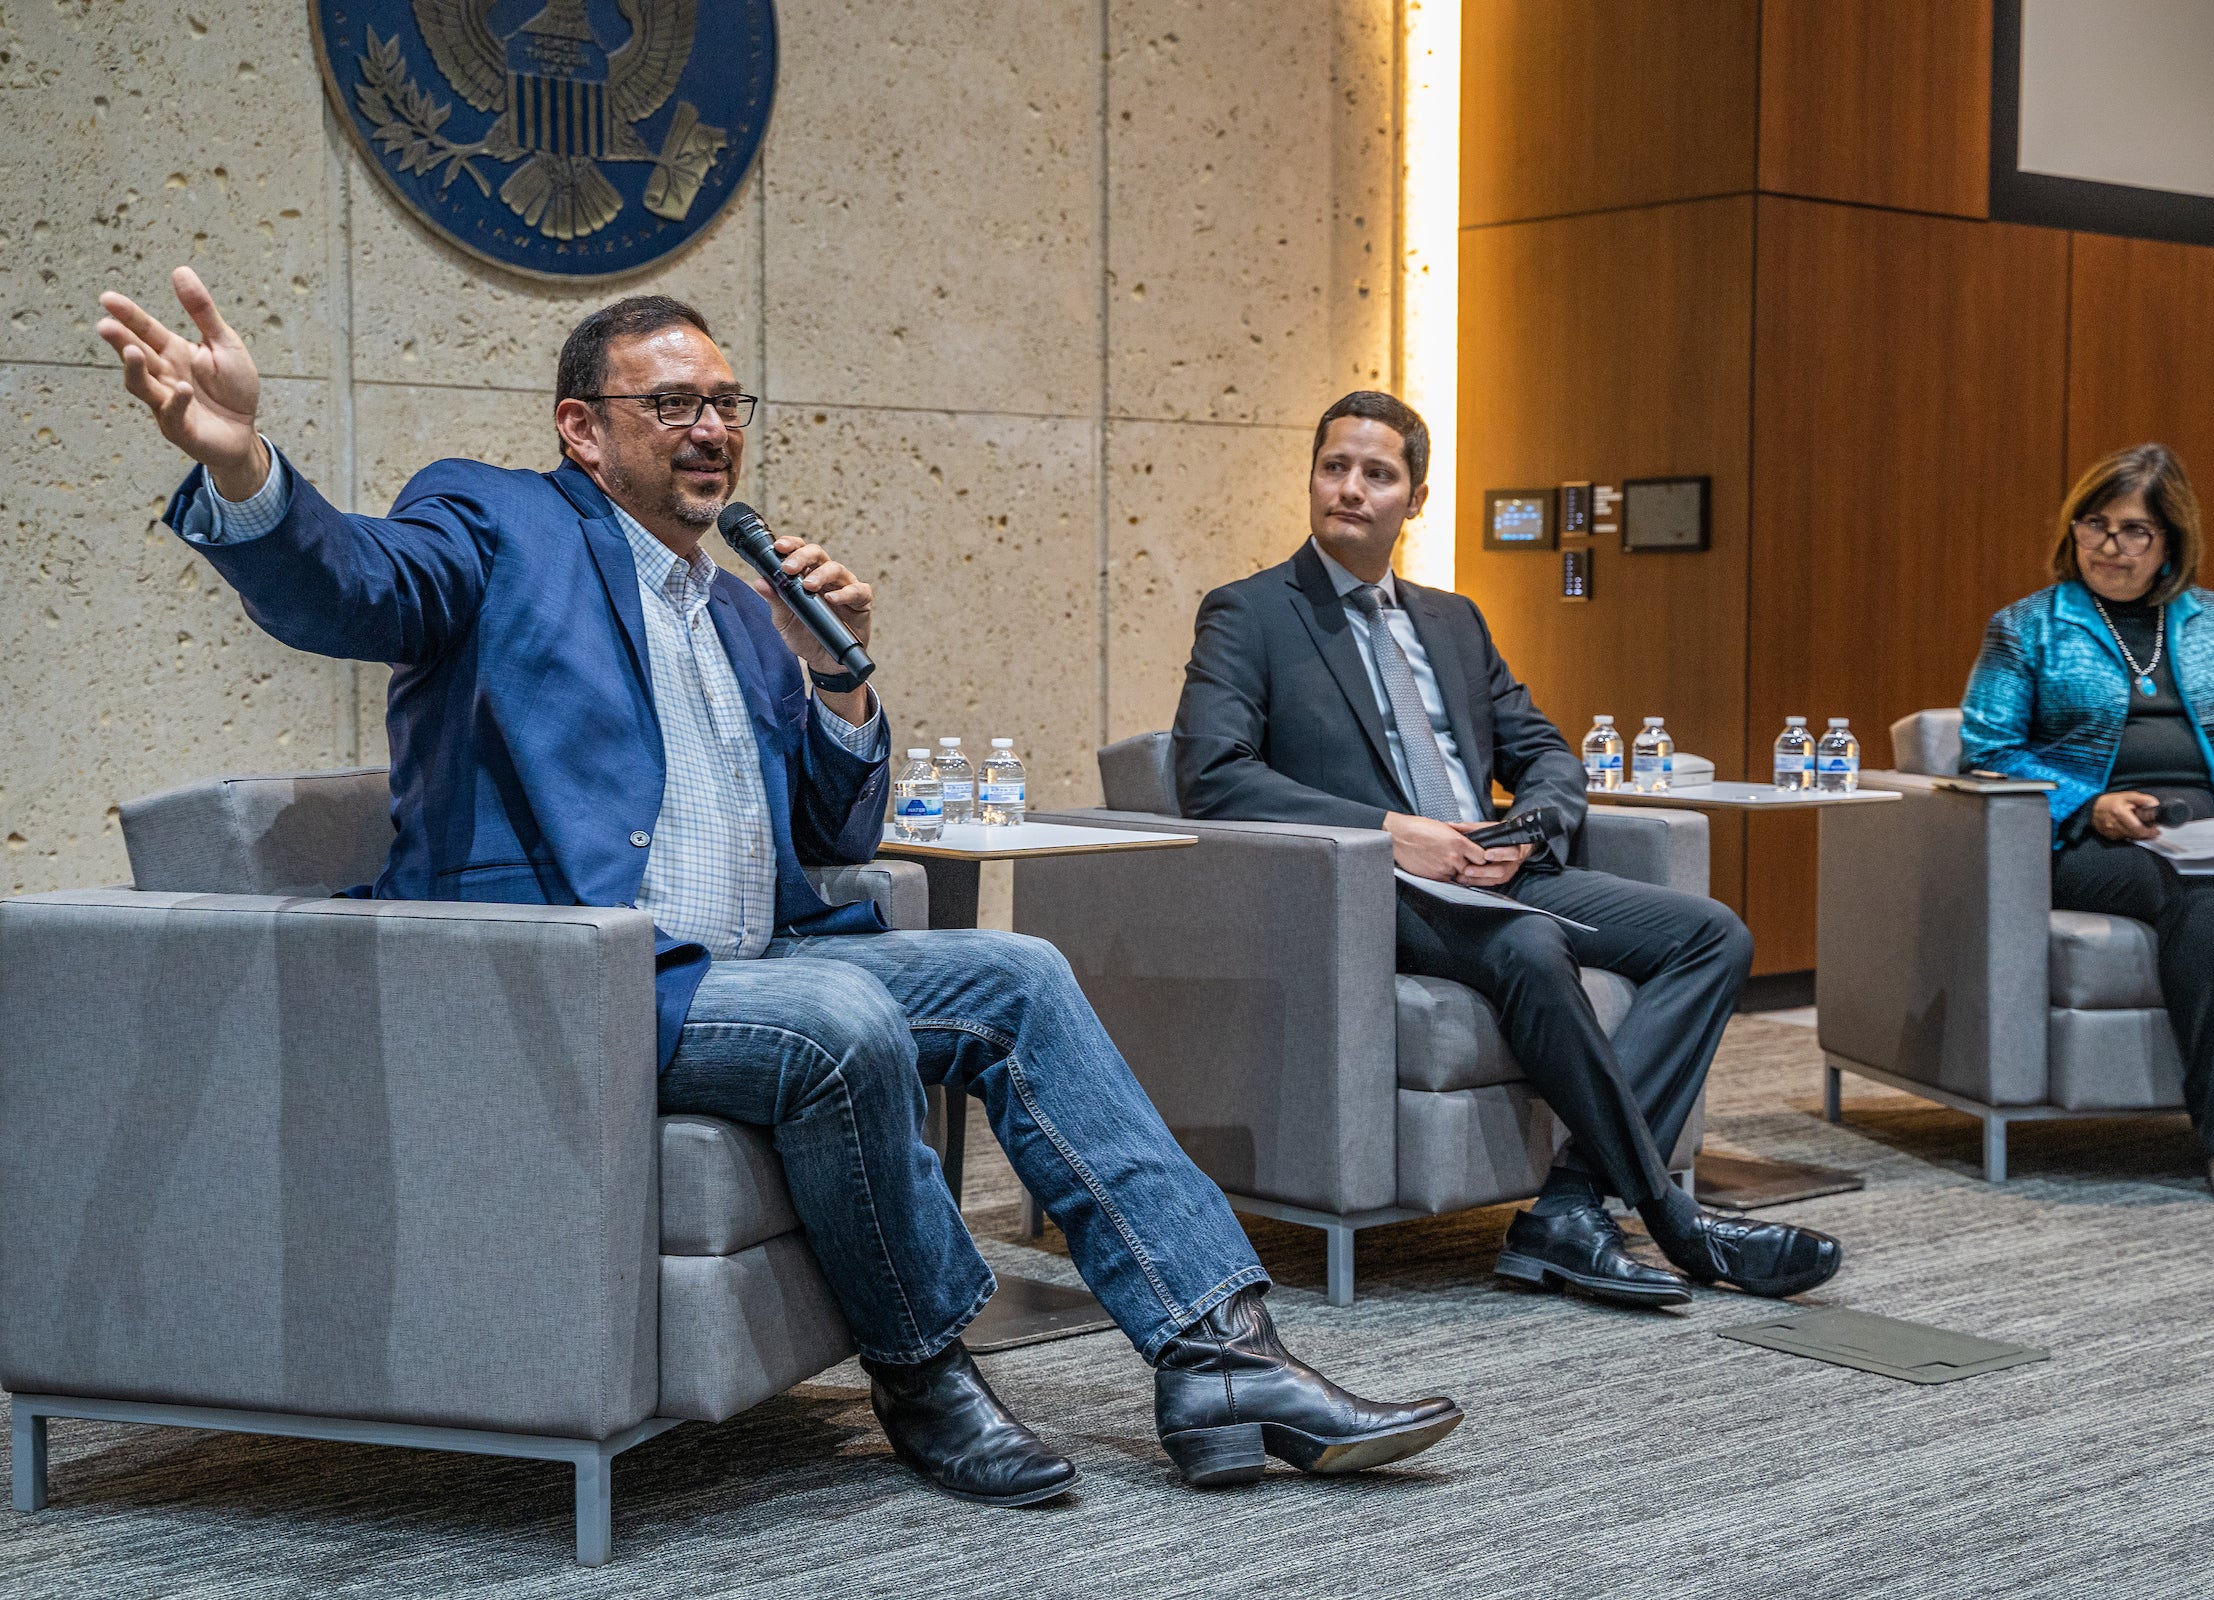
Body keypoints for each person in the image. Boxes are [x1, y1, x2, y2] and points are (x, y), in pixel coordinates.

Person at [95, 270, 1463, 1505]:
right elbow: (355, 589)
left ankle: (1218, 1351)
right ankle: (926, 1373)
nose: (712, 428)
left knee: (1020, 975)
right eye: (674, 402)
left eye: (727, 402)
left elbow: (838, 821)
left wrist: (841, 669)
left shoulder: (747, 609)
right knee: (843, 1025)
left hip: (759, 962)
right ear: (584, 430)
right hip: (589, 979)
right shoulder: (496, 520)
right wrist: (246, 472)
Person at [1171, 390, 1842, 1309]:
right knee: (1531, 945)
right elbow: (1211, 775)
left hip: (1498, 869)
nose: (1351, 489)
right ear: (1312, 478)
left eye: (1378, 474)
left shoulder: (1452, 620)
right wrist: (1392, 832)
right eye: (1335, 468)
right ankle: (1675, 1222)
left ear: (1418, 498)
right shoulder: (1250, 613)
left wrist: (1527, 833)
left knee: (1712, 934)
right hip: (1375, 887)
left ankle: (1568, 1208)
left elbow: (1545, 753)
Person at [1962, 443, 2214, 1214]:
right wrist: (2087, 805)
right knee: (2197, 901)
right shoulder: (2027, 628)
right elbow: (1988, 751)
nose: (2110, 546)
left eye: (2134, 530)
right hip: (2095, 841)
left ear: (2170, 542)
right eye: (2094, 525)